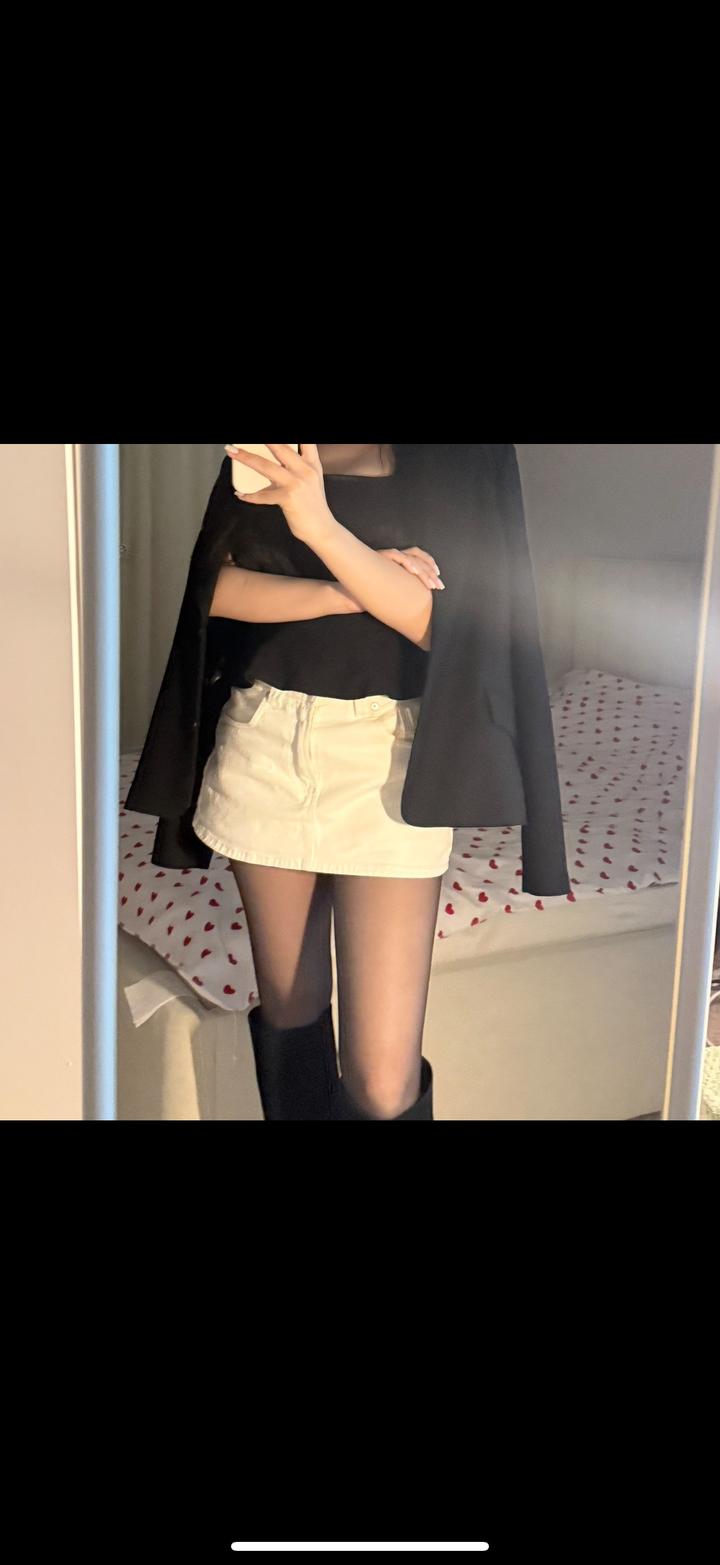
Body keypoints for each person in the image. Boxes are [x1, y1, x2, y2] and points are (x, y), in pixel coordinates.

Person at [192, 443, 451, 1122]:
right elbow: (214, 589)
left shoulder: (445, 461)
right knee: (292, 1016)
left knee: (383, 1083)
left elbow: (438, 624)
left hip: (389, 759)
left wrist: (320, 526)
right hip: (267, 739)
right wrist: (346, 591)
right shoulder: (271, 453)